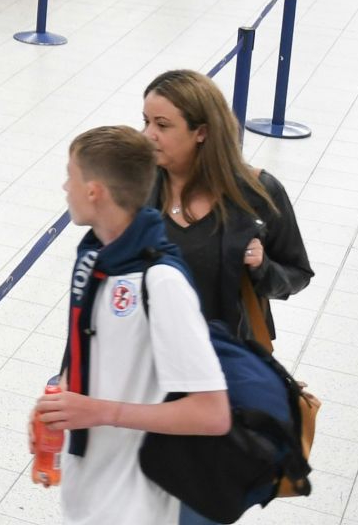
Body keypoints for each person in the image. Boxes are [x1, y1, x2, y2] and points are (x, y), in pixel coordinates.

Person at [33, 126, 231, 525]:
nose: (65, 187)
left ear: (94, 191)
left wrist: (99, 411)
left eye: (71, 175)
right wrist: (59, 401)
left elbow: (213, 414)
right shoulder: (96, 259)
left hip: (135, 505)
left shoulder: (162, 282)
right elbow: (94, 353)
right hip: (89, 491)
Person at [141, 70, 313, 344]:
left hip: (226, 356)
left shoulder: (258, 192)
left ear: (202, 132)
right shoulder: (140, 186)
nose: (148, 134)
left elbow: (298, 274)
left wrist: (262, 267)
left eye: (162, 125)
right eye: (146, 121)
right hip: (152, 351)